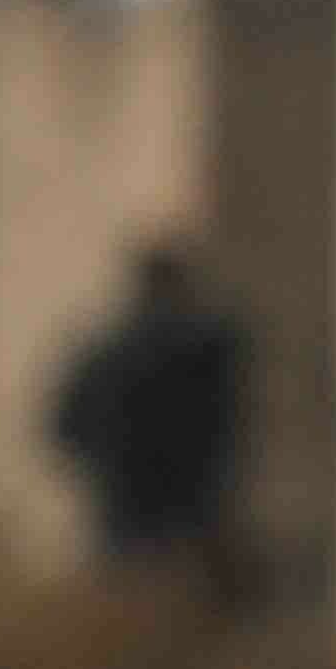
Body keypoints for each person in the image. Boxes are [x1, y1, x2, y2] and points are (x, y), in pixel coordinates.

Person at [47, 243, 249, 576]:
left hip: (128, 513)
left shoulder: (107, 351)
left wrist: (103, 466)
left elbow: (65, 426)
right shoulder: (209, 350)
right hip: (188, 514)